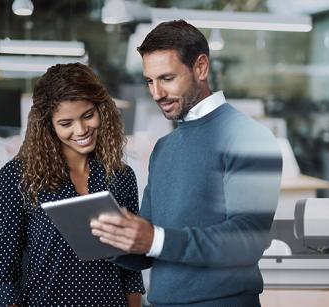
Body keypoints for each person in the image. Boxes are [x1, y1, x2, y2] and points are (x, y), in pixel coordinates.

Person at [90, 20, 282, 307]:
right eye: (150, 81)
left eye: (167, 78)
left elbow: (247, 240)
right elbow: (149, 246)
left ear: (201, 68)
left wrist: (155, 239)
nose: (156, 94)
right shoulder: (164, 148)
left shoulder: (249, 137)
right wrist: (114, 240)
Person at [0, 63, 144, 307]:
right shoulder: (19, 175)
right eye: (66, 123)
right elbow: (4, 276)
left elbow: (131, 272)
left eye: (88, 116)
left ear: (101, 110)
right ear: (48, 125)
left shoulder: (122, 176)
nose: (81, 130)